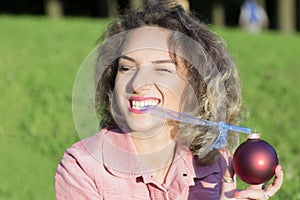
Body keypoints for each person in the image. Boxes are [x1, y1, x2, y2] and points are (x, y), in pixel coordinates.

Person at [55, 1, 283, 199]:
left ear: (196, 85)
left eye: (162, 70)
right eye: (126, 67)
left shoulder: (217, 164)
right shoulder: (83, 166)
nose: (137, 83)